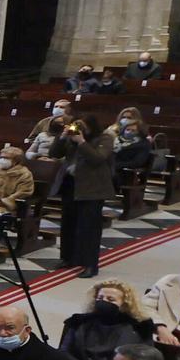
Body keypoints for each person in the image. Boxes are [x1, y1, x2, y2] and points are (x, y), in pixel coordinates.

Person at [50, 114, 114, 276]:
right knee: (68, 223)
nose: (79, 129)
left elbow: (98, 158)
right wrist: (62, 137)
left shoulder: (104, 138)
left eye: (83, 126)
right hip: (71, 184)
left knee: (89, 228)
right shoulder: (72, 138)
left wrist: (82, 142)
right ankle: (68, 257)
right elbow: (54, 153)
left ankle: (90, 264)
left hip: (92, 188)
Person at [58, 279, 157, 360]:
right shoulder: (80, 322)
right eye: (100, 298)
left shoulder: (140, 328)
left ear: (124, 304)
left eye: (110, 299)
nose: (103, 302)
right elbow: (64, 352)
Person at [0, 144, 34, 216]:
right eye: (1, 157)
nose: (2, 160)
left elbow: (23, 193)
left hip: (6, 207)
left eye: (6, 158)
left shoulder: (24, 174)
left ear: (16, 160)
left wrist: (3, 202)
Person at [111, 110, 156, 174]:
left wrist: (115, 165)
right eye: (128, 130)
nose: (129, 132)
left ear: (138, 132)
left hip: (124, 172)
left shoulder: (143, 144)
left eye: (133, 130)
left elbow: (137, 162)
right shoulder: (116, 140)